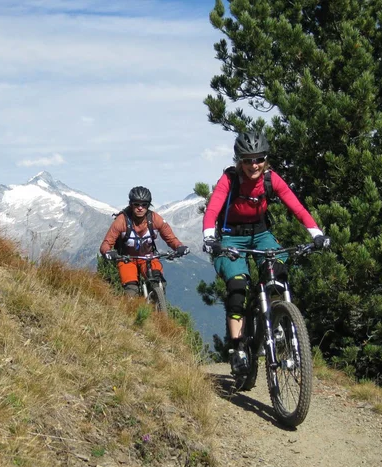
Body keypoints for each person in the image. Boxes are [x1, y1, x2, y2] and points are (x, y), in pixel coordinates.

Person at [202, 130, 330, 375]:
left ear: (265, 159)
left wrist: (316, 233)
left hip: (261, 234)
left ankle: (276, 317)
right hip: (232, 236)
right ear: (239, 160)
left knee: (276, 273)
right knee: (237, 288)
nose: (254, 165)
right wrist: (210, 237)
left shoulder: (271, 179)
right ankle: (238, 348)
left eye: (259, 158)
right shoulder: (230, 179)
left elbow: (297, 207)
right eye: (248, 160)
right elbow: (213, 208)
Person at [100, 186, 189, 297]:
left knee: (158, 282)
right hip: (127, 259)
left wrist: (179, 247)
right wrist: (108, 252)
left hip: (148, 258)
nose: (140, 208)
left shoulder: (155, 219)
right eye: (136, 204)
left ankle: (158, 308)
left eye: (144, 204)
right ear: (130, 204)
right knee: (131, 291)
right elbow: (106, 243)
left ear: (148, 205)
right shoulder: (121, 220)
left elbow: (171, 238)